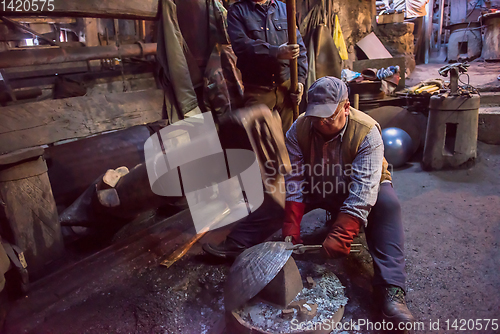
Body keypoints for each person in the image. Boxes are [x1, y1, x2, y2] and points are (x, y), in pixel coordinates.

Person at [204, 76, 415, 325]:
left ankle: (392, 291)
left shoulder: (367, 132)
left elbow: (364, 190)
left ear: (346, 107)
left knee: (388, 206)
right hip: (319, 183)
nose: (322, 122)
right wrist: (291, 222)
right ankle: (240, 243)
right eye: (316, 115)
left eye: (330, 116)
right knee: (276, 198)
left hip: (356, 186)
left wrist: (344, 230)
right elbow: (294, 180)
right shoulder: (300, 128)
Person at [227, 0, 308, 133]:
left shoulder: (285, 8)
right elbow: (241, 46)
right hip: (258, 90)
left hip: (285, 89)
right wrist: (276, 51)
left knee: (289, 139)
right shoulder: (237, 11)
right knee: (260, 143)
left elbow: (300, 50)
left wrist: (300, 81)